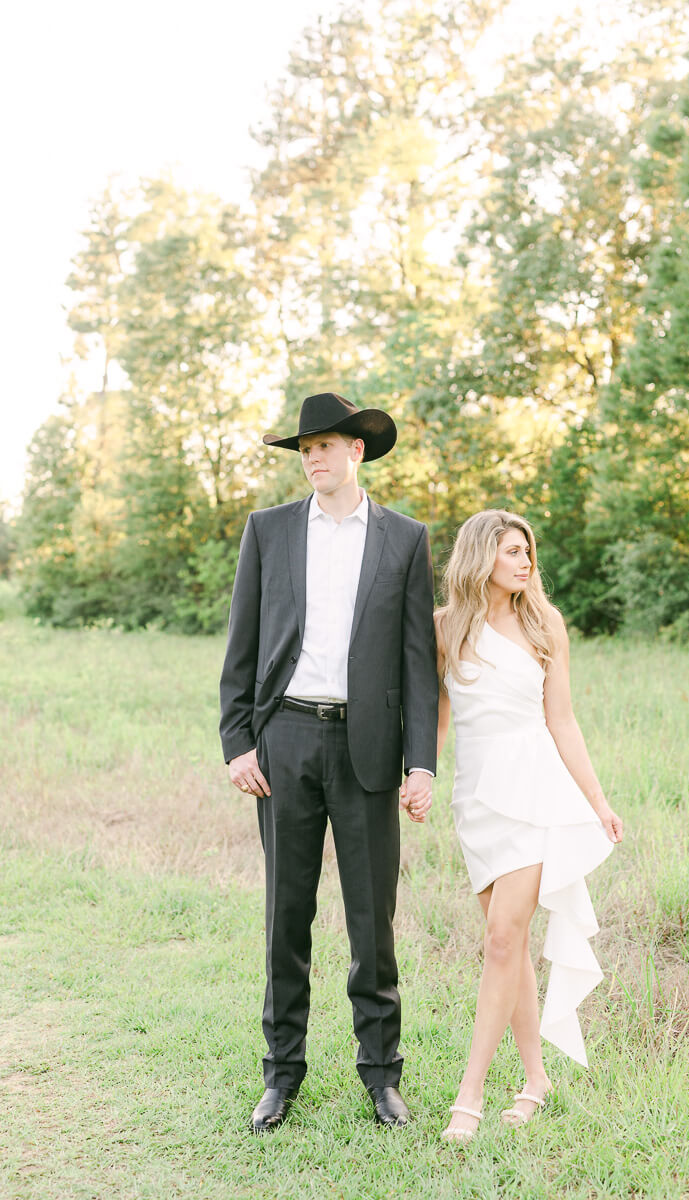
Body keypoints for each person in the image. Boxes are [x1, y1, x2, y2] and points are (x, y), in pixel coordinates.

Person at [219, 392, 438, 1133]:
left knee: (372, 921)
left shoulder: (405, 540)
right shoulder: (268, 531)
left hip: (369, 750)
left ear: (358, 452)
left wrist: (423, 764)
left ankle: (382, 1078)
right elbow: (241, 649)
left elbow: (417, 664)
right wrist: (237, 742)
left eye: (325, 445)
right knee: (287, 915)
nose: (312, 457)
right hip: (284, 741)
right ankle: (281, 1077)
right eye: (303, 448)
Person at [435, 510, 623, 1142]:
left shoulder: (545, 625)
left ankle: (470, 1096)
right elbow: (435, 720)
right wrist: (418, 777)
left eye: (527, 552)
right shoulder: (445, 629)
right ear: (478, 556)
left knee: (500, 941)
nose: (524, 562)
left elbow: (562, 721)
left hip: (535, 791)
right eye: (510, 551)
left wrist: (597, 802)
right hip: (477, 799)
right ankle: (536, 1078)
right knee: (506, 945)